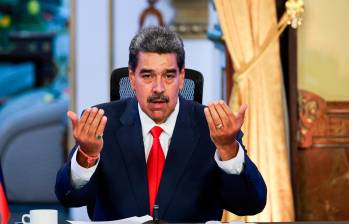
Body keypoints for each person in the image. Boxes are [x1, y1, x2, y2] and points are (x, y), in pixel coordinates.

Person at [55, 26, 267, 222]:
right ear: (131, 78)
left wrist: (228, 149)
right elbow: (69, 197)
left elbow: (250, 204)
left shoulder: (213, 127)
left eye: (168, 76)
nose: (158, 88)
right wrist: (87, 156)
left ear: (182, 78)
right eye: (147, 76)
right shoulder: (102, 124)